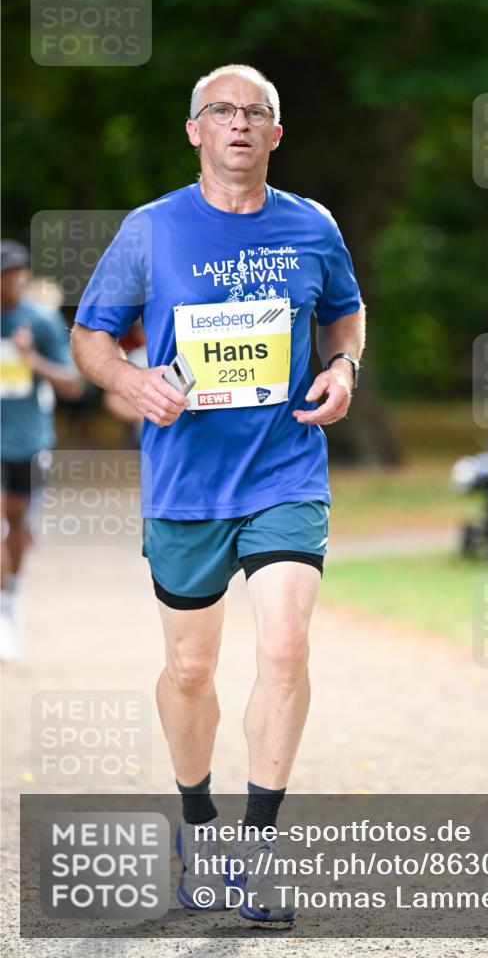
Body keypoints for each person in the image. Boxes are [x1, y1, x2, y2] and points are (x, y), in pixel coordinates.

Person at [70, 64, 366, 923]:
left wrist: (343, 366)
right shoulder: (150, 229)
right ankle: (197, 823)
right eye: (222, 111)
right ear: (195, 130)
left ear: (277, 135)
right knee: (189, 668)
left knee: (283, 648)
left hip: (285, 467)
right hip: (185, 480)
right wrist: (130, 383)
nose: (239, 123)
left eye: (256, 113)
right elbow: (91, 337)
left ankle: (258, 852)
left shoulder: (312, 225)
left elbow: (345, 313)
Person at [1, 239, 83, 660]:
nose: (14, 284)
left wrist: (31, 360)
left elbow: (72, 384)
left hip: (26, 442)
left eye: (19, 276)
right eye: (6, 277)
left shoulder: (41, 322)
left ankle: (10, 594)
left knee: (15, 523)